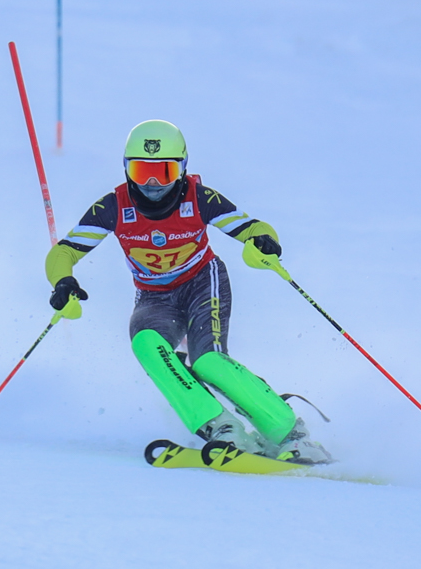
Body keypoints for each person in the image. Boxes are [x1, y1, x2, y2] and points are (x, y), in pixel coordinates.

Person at [43, 119, 332, 463]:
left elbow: (250, 226)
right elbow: (64, 251)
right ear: (125, 170)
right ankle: (221, 427)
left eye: (163, 172)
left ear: (182, 169)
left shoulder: (198, 197)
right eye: (140, 171)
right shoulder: (114, 207)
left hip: (201, 283)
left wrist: (262, 240)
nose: (151, 184)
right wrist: (63, 282)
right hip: (154, 296)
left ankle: (290, 433)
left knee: (208, 360)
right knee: (147, 344)